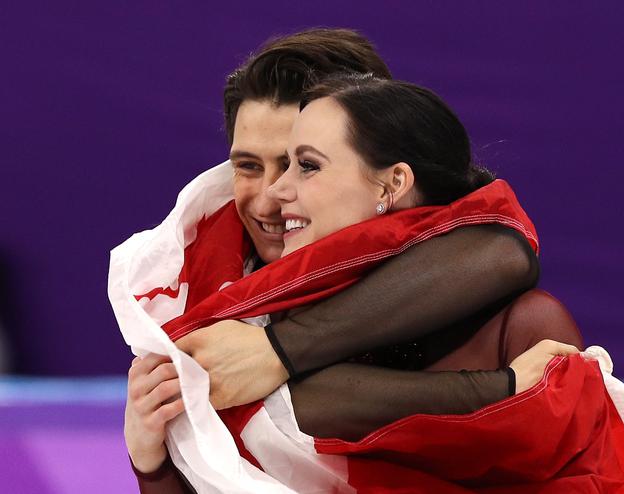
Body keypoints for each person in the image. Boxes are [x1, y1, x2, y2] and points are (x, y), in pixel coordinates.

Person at [124, 30, 582, 492]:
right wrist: (153, 464)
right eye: (246, 166)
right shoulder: (205, 310)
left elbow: (503, 247)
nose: (269, 198)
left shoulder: (515, 317)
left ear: (387, 180)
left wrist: (277, 352)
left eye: (301, 163)